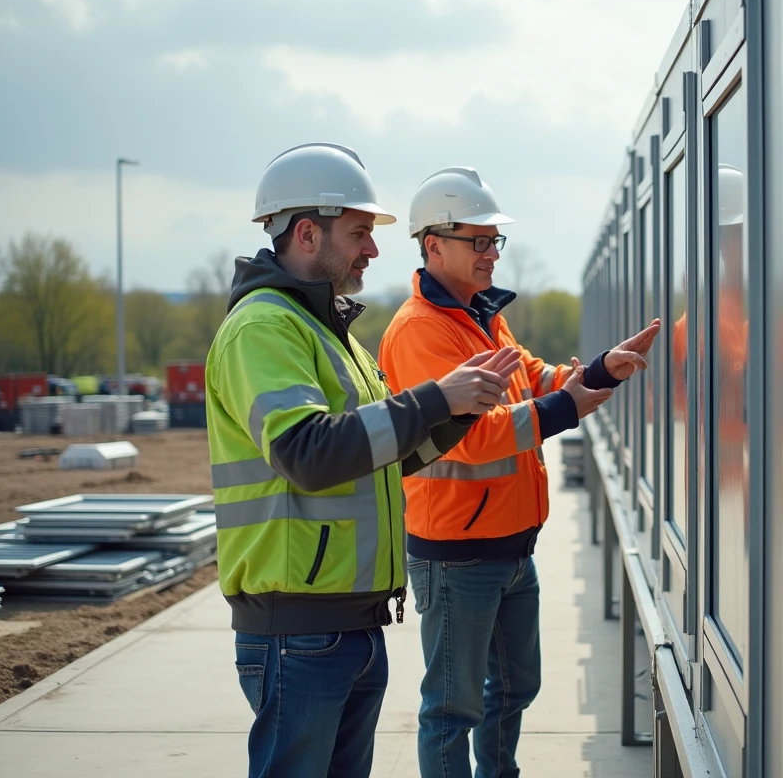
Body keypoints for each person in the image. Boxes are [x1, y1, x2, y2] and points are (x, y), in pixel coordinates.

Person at [205, 143, 523, 778]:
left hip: (346, 622)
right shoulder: (263, 329)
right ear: (305, 232)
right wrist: (435, 395)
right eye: (358, 234)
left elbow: (383, 455)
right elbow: (309, 452)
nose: (373, 250)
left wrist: (455, 410)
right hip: (296, 628)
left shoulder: (327, 331)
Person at [377, 166, 661, 778]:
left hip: (507, 548)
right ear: (433, 246)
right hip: (456, 555)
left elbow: (532, 378)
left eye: (494, 241)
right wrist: (564, 409)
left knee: (512, 691)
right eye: (477, 241)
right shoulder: (421, 332)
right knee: (452, 708)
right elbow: (471, 440)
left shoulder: (480, 316)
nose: (491, 254)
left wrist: (601, 372)